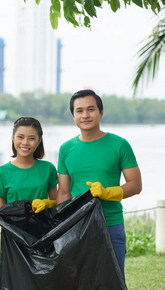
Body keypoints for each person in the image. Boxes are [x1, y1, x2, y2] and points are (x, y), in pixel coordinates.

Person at [56, 89, 142, 278]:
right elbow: (63, 193)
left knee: (113, 285)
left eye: (91, 109)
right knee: (79, 285)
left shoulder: (119, 144)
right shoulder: (66, 149)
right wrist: (60, 226)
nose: (85, 115)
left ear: (101, 112)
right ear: (73, 116)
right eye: (79, 111)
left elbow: (136, 184)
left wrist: (108, 192)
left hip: (110, 225)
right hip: (76, 227)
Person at [0, 117, 58, 223]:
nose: (25, 142)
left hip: (43, 231)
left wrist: (47, 203)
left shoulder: (48, 168)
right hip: (13, 234)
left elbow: (57, 202)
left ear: (39, 141)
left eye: (31, 138)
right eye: (20, 137)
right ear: (13, 138)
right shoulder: (1, 173)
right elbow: (0, 208)